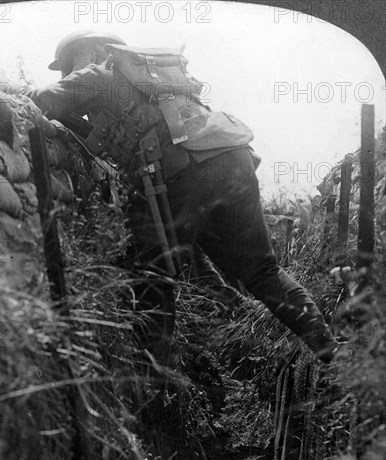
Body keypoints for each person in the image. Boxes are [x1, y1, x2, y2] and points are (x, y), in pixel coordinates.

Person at [18, 30, 338, 364]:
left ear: (90, 51)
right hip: (231, 159)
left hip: (182, 170)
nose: (68, 72)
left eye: (70, 63)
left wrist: (16, 90)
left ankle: (158, 384)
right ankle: (331, 353)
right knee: (262, 271)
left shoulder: (99, 72)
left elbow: (43, 98)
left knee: (150, 274)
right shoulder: (149, 80)